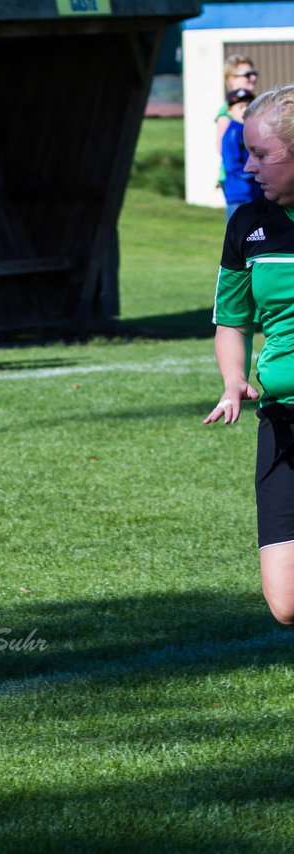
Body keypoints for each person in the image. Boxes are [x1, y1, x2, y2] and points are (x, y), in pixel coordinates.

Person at [204, 83, 294, 627]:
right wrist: (234, 377)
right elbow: (231, 322)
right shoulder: (247, 226)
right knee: (285, 604)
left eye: (262, 154)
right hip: (283, 422)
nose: (248, 165)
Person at [221, 88, 263, 220]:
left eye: (248, 106)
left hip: (254, 193)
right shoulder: (233, 132)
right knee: (238, 235)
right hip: (240, 193)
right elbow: (231, 165)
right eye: (240, 107)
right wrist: (254, 174)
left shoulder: (250, 131)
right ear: (229, 111)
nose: (245, 110)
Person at [216, 55, 258, 170]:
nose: (253, 78)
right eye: (247, 75)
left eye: (254, 74)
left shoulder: (254, 104)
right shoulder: (228, 109)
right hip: (239, 180)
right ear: (231, 79)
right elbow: (222, 148)